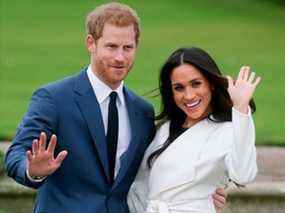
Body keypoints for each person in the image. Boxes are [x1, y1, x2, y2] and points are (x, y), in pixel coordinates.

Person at [5, 3, 226, 213]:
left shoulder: (142, 111)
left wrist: (200, 192)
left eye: (127, 47)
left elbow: (152, 172)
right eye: (111, 47)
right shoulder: (53, 98)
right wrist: (32, 170)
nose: (120, 57)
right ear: (91, 43)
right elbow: (16, 154)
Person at [128, 47, 260, 213]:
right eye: (179, 88)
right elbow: (142, 186)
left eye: (196, 84)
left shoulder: (228, 131)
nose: (189, 95)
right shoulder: (164, 129)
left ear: (211, 83)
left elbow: (244, 175)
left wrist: (241, 109)